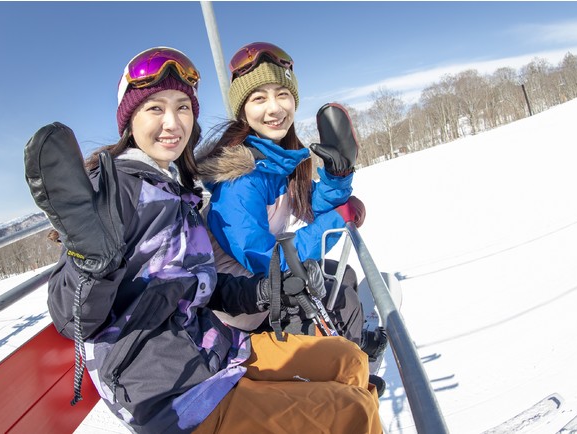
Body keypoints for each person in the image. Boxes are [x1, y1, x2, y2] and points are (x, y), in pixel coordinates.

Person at [24, 46, 382, 434]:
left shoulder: (173, 190)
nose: (172, 122)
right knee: (352, 412)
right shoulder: (114, 193)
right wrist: (89, 260)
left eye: (182, 107)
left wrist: (261, 291)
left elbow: (203, 287)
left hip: (216, 348)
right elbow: (72, 318)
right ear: (129, 122)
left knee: (349, 361)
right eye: (155, 109)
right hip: (171, 392)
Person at [198, 42, 386, 358]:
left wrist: (337, 178)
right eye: (259, 98)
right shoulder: (239, 183)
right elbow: (268, 263)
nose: (274, 108)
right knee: (340, 296)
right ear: (242, 110)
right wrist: (339, 217)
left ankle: (348, 343)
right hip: (246, 305)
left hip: (267, 280)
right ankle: (350, 366)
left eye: (282, 94)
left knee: (345, 275)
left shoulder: (278, 160)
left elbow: (308, 209)